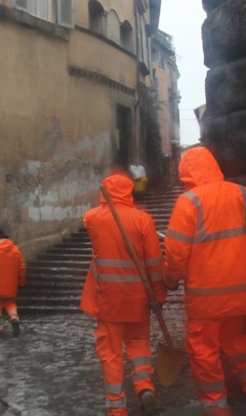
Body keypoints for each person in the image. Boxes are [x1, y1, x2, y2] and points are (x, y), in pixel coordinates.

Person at [163, 147, 246, 410]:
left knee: (204, 350)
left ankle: (216, 406)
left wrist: (170, 279)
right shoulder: (242, 194)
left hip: (206, 299)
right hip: (241, 293)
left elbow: (176, 252)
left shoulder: (188, 202)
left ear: (186, 173)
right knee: (235, 338)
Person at [80, 172, 167, 415]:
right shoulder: (143, 220)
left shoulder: (93, 218)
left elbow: (90, 219)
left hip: (107, 298)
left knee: (111, 353)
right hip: (137, 297)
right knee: (139, 343)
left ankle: (117, 406)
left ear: (105, 192)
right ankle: (144, 386)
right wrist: (158, 295)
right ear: (129, 191)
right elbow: (154, 262)